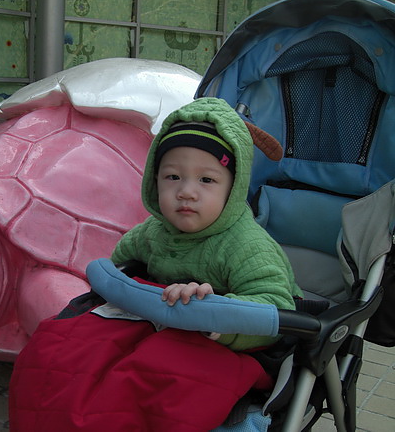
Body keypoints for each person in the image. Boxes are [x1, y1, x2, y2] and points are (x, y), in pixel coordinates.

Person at [111, 96, 303, 350]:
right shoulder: (152, 232)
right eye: (173, 176)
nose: (186, 191)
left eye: (207, 180)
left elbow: (276, 306)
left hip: (231, 346)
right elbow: (118, 266)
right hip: (170, 335)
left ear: (233, 188)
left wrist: (213, 314)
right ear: (154, 180)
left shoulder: (247, 246)